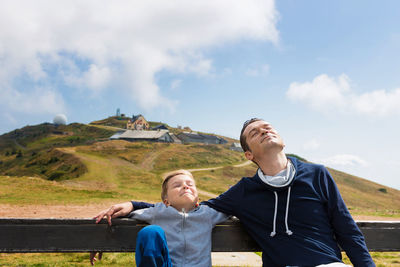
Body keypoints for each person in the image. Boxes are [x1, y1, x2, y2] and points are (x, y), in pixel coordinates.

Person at [96, 118, 375, 267]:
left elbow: (348, 231)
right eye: (255, 132)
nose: (265, 129)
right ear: (248, 154)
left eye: (268, 126)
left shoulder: (318, 174)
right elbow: (191, 207)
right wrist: (133, 204)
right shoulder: (245, 191)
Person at [91, 169, 229, 267]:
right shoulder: (157, 211)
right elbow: (119, 214)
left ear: (198, 198)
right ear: (166, 201)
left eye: (190, 184)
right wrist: (98, 239)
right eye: (177, 185)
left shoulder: (208, 214)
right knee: (150, 232)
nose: (185, 186)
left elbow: (235, 207)